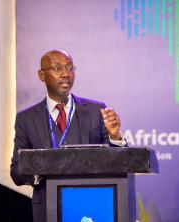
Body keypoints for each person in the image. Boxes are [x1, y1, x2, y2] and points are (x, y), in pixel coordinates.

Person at [10, 50, 127, 222]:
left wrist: (115, 136)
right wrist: (39, 169)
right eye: (57, 68)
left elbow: (121, 163)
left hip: (93, 204)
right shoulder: (26, 119)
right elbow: (16, 172)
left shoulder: (96, 110)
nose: (66, 74)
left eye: (70, 67)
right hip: (48, 208)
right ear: (42, 75)